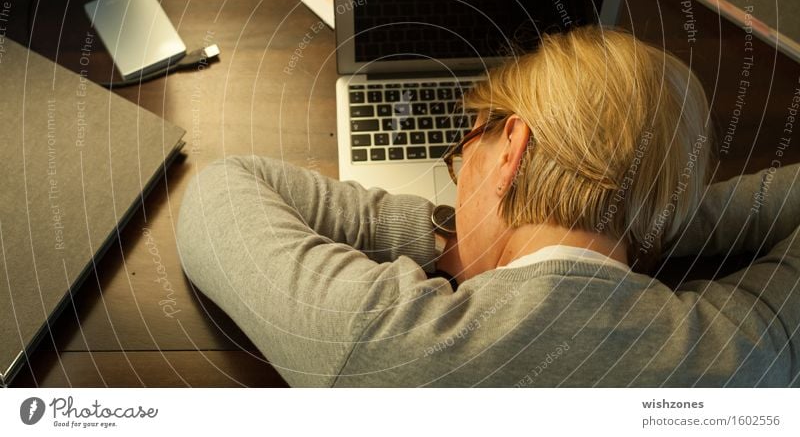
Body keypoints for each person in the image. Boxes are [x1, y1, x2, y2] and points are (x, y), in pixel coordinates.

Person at [176, 26, 799, 387]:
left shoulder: (381, 340)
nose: (457, 172)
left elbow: (221, 194)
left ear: (511, 152)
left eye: (468, 142)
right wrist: (639, 213)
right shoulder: (750, 354)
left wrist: (446, 239)